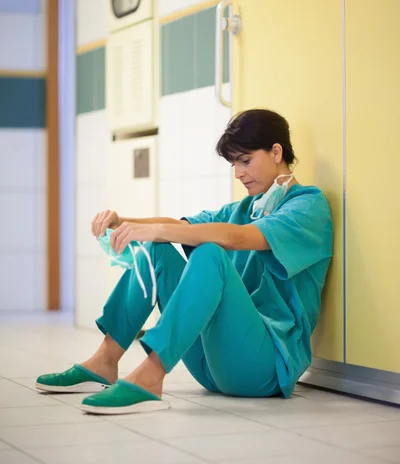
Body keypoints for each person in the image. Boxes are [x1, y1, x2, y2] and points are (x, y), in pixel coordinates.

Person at [36, 109, 333, 415]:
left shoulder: (308, 206)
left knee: (209, 251)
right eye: (234, 164)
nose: (238, 173)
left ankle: (150, 377)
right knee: (158, 249)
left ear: (275, 151)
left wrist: (154, 230)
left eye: (245, 161)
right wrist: (122, 221)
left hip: (264, 367)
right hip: (212, 365)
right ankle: (104, 361)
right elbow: (182, 226)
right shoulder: (246, 207)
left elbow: (239, 238)